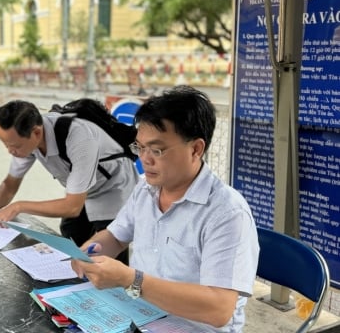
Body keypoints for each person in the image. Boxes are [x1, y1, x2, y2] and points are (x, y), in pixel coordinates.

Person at [71, 86, 259, 332]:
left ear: (195, 149)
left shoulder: (227, 213)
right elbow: (115, 236)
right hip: (141, 317)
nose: (144, 159)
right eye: (139, 147)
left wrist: (132, 280)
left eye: (156, 150)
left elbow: (219, 309)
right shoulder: (146, 189)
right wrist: (88, 253)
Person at [0, 99, 140, 256]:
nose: (10, 151)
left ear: (36, 132)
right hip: (82, 187)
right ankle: (72, 278)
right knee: (71, 233)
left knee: (110, 246)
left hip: (113, 187)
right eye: (6, 145)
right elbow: (10, 184)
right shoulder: (26, 139)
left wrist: (18, 206)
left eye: (15, 146)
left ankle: (115, 287)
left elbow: (72, 207)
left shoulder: (78, 136)